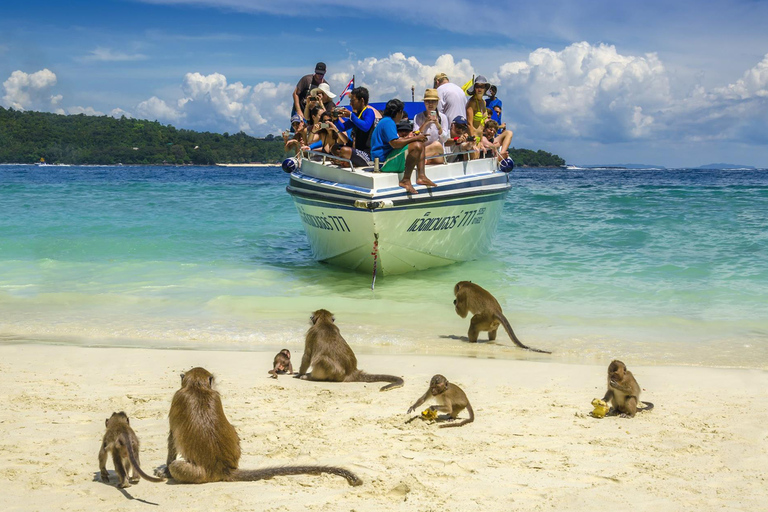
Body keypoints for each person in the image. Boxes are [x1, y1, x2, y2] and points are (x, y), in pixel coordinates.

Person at [370, 99, 436, 194]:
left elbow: (396, 141)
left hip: (386, 158)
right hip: (383, 162)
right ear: (399, 112)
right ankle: (405, 180)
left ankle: (421, 176)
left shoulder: (386, 121)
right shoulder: (388, 122)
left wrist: (416, 137)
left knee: (419, 143)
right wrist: (414, 139)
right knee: (417, 144)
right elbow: (395, 144)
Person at [333, 86, 376, 165]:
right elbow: (343, 128)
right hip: (358, 151)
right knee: (334, 148)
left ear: (361, 100)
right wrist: (335, 119)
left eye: (353, 100)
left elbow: (366, 127)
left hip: (367, 154)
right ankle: (348, 162)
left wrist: (351, 115)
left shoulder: (369, 112)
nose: (350, 103)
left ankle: (346, 162)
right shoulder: (356, 115)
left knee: (344, 150)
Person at [413, 88, 450, 165]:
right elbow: (415, 136)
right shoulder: (418, 117)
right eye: (427, 101)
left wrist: (437, 124)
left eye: (433, 101)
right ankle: (424, 159)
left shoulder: (443, 117)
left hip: (438, 154)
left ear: (437, 103)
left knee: (437, 145)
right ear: (424, 102)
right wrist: (425, 123)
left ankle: (419, 158)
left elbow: (444, 139)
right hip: (425, 151)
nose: (430, 104)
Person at [465, 75, 490, 140]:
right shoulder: (472, 102)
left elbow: (481, 125)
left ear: (485, 89)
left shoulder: (483, 102)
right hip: (472, 138)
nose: (479, 89)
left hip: (480, 138)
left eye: (482, 86)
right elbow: (469, 124)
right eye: (477, 86)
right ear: (474, 88)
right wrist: (472, 139)